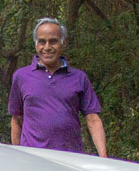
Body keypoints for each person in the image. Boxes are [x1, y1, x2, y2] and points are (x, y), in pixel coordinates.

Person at [8, 17, 107, 156]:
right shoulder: (21, 76)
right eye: (42, 42)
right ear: (36, 45)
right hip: (33, 159)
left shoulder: (79, 77)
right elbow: (17, 120)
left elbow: (93, 120)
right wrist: (17, 156)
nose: (47, 47)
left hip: (70, 158)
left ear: (63, 43)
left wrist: (103, 156)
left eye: (53, 41)